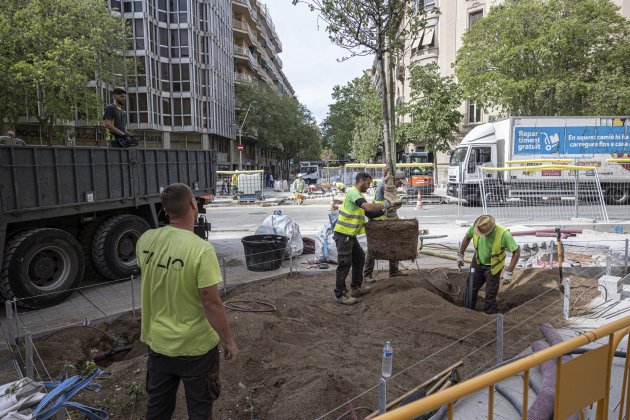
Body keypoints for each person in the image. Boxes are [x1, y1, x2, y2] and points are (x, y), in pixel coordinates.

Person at [136, 183, 238, 419]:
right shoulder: (201, 250)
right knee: (200, 410)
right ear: (194, 204)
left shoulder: (146, 241)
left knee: (158, 410)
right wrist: (229, 341)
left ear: (164, 210)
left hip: (158, 343)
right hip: (196, 348)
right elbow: (210, 303)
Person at [333, 172, 399, 305]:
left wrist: (387, 209)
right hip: (344, 234)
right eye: (368, 183)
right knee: (345, 263)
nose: (369, 186)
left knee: (359, 258)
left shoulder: (358, 195)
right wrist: (385, 204)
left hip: (349, 235)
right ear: (361, 181)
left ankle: (356, 288)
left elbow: (371, 213)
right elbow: (368, 207)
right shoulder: (353, 193)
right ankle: (340, 294)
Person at [457, 215, 521, 314]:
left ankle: (490, 316)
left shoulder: (504, 235)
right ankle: (467, 312)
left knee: (490, 292)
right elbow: (467, 238)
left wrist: (509, 272)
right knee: (470, 287)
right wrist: (460, 254)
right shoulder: (477, 227)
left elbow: (516, 252)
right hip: (477, 262)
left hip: (493, 266)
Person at [364, 169, 407, 282]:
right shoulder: (383, 186)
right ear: (394, 180)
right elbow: (382, 202)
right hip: (378, 222)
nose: (401, 185)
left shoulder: (392, 188)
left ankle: (393, 271)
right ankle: (367, 275)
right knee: (373, 248)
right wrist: (384, 176)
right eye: (400, 182)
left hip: (390, 221)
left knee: (394, 246)